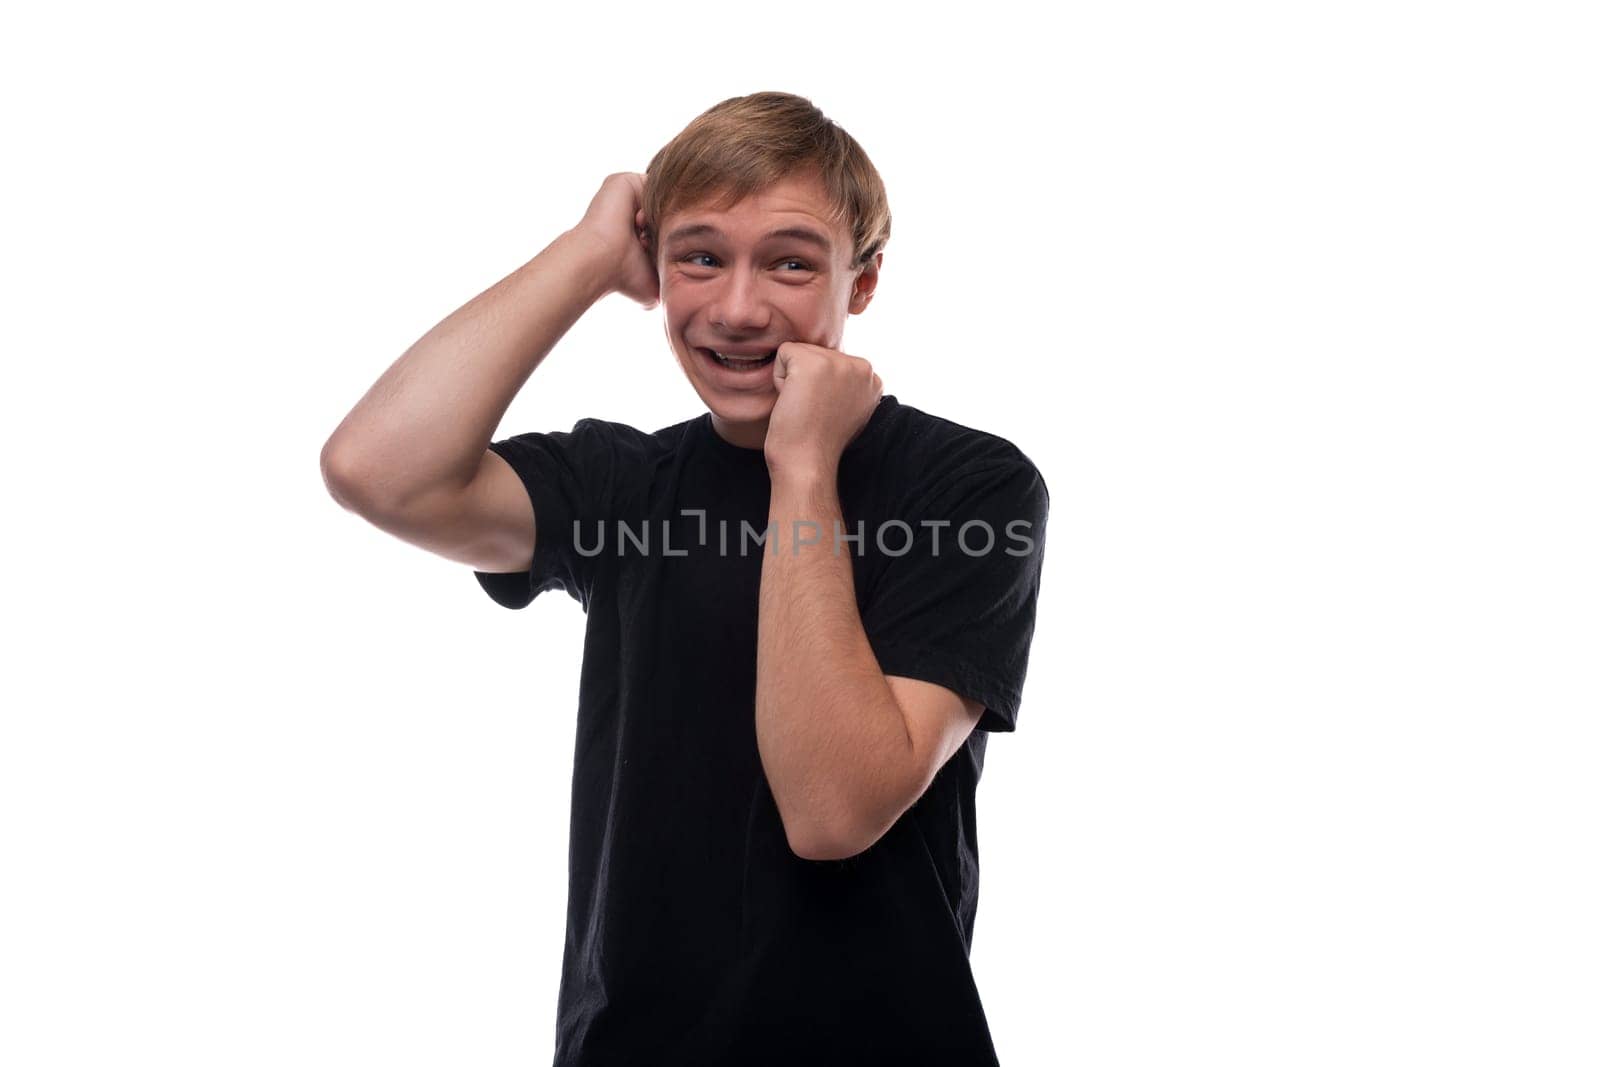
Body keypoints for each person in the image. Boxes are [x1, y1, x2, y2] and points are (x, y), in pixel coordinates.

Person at [320, 91, 1049, 1066]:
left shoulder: (971, 484)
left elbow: (832, 809)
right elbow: (376, 468)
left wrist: (801, 467)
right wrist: (585, 256)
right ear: (656, 271)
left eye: (790, 261)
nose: (737, 308)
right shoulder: (626, 483)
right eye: (698, 257)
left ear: (862, 281)